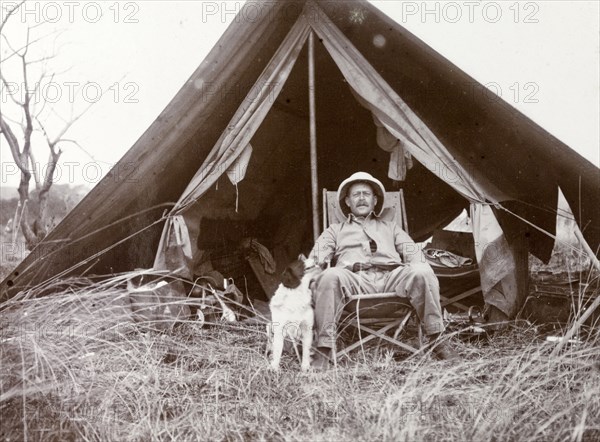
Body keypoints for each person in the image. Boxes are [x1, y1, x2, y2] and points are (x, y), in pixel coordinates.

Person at [309, 171, 458, 369]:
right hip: (355, 283)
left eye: (366, 194)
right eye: (356, 194)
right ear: (347, 201)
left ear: (375, 200)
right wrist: (313, 274)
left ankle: (437, 338)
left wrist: (418, 266)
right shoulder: (334, 231)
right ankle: (324, 349)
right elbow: (315, 259)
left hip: (392, 282)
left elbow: (415, 255)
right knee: (329, 275)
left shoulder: (392, 227)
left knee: (421, 271)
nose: (362, 198)